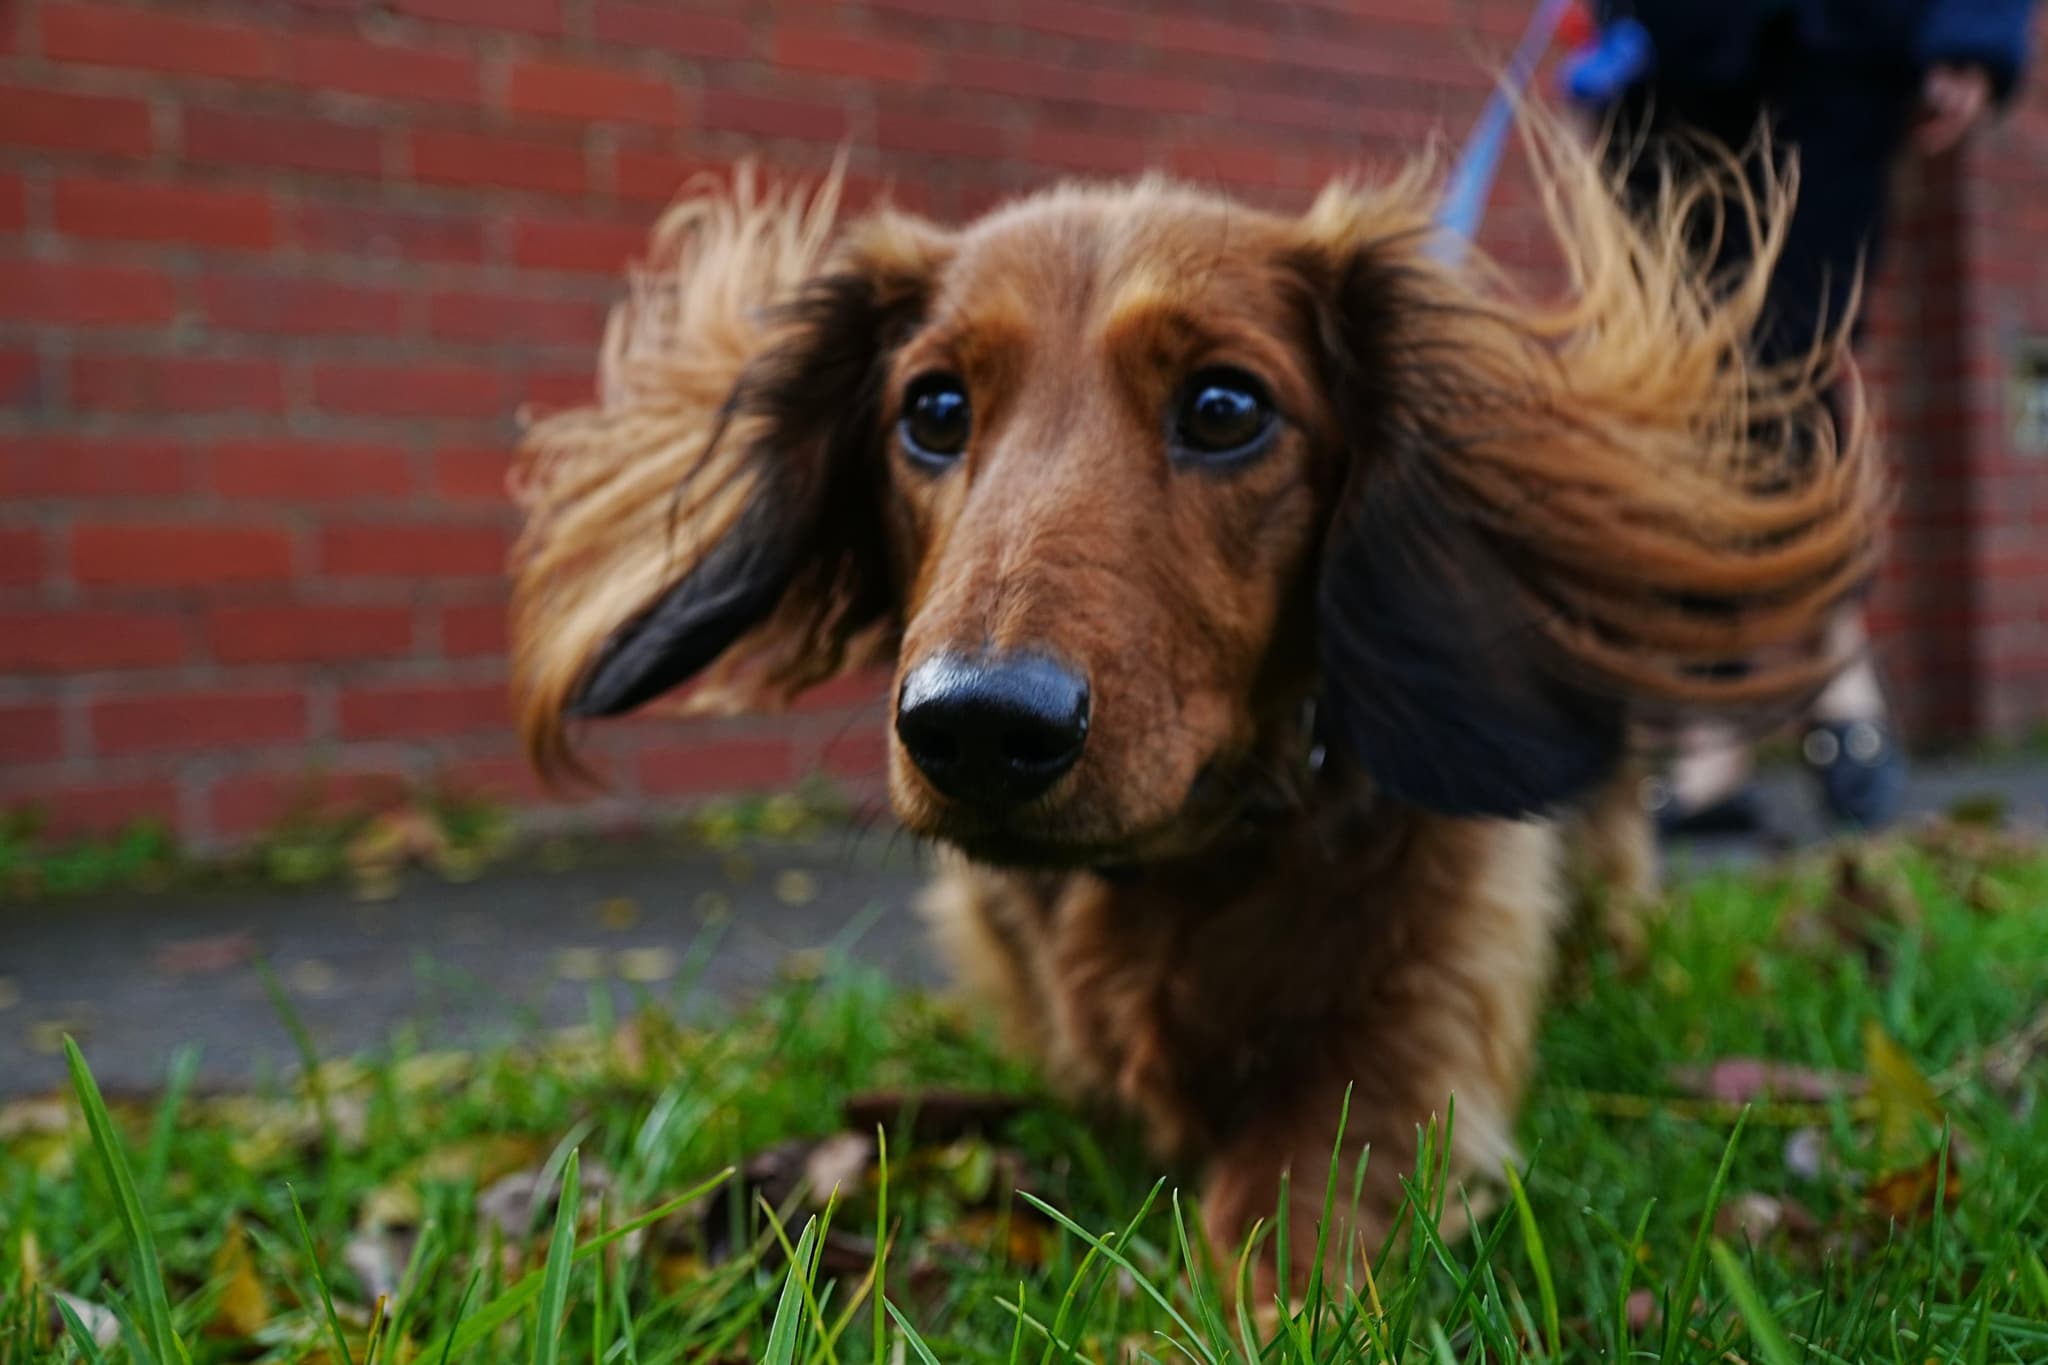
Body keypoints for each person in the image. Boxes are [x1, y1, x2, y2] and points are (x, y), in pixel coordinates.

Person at [1567, 0, 2036, 835]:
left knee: (1786, 356)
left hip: (1841, 49)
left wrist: (1975, 31)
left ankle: (1807, 664)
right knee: (1674, 375)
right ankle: (1760, 696)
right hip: (1669, 55)